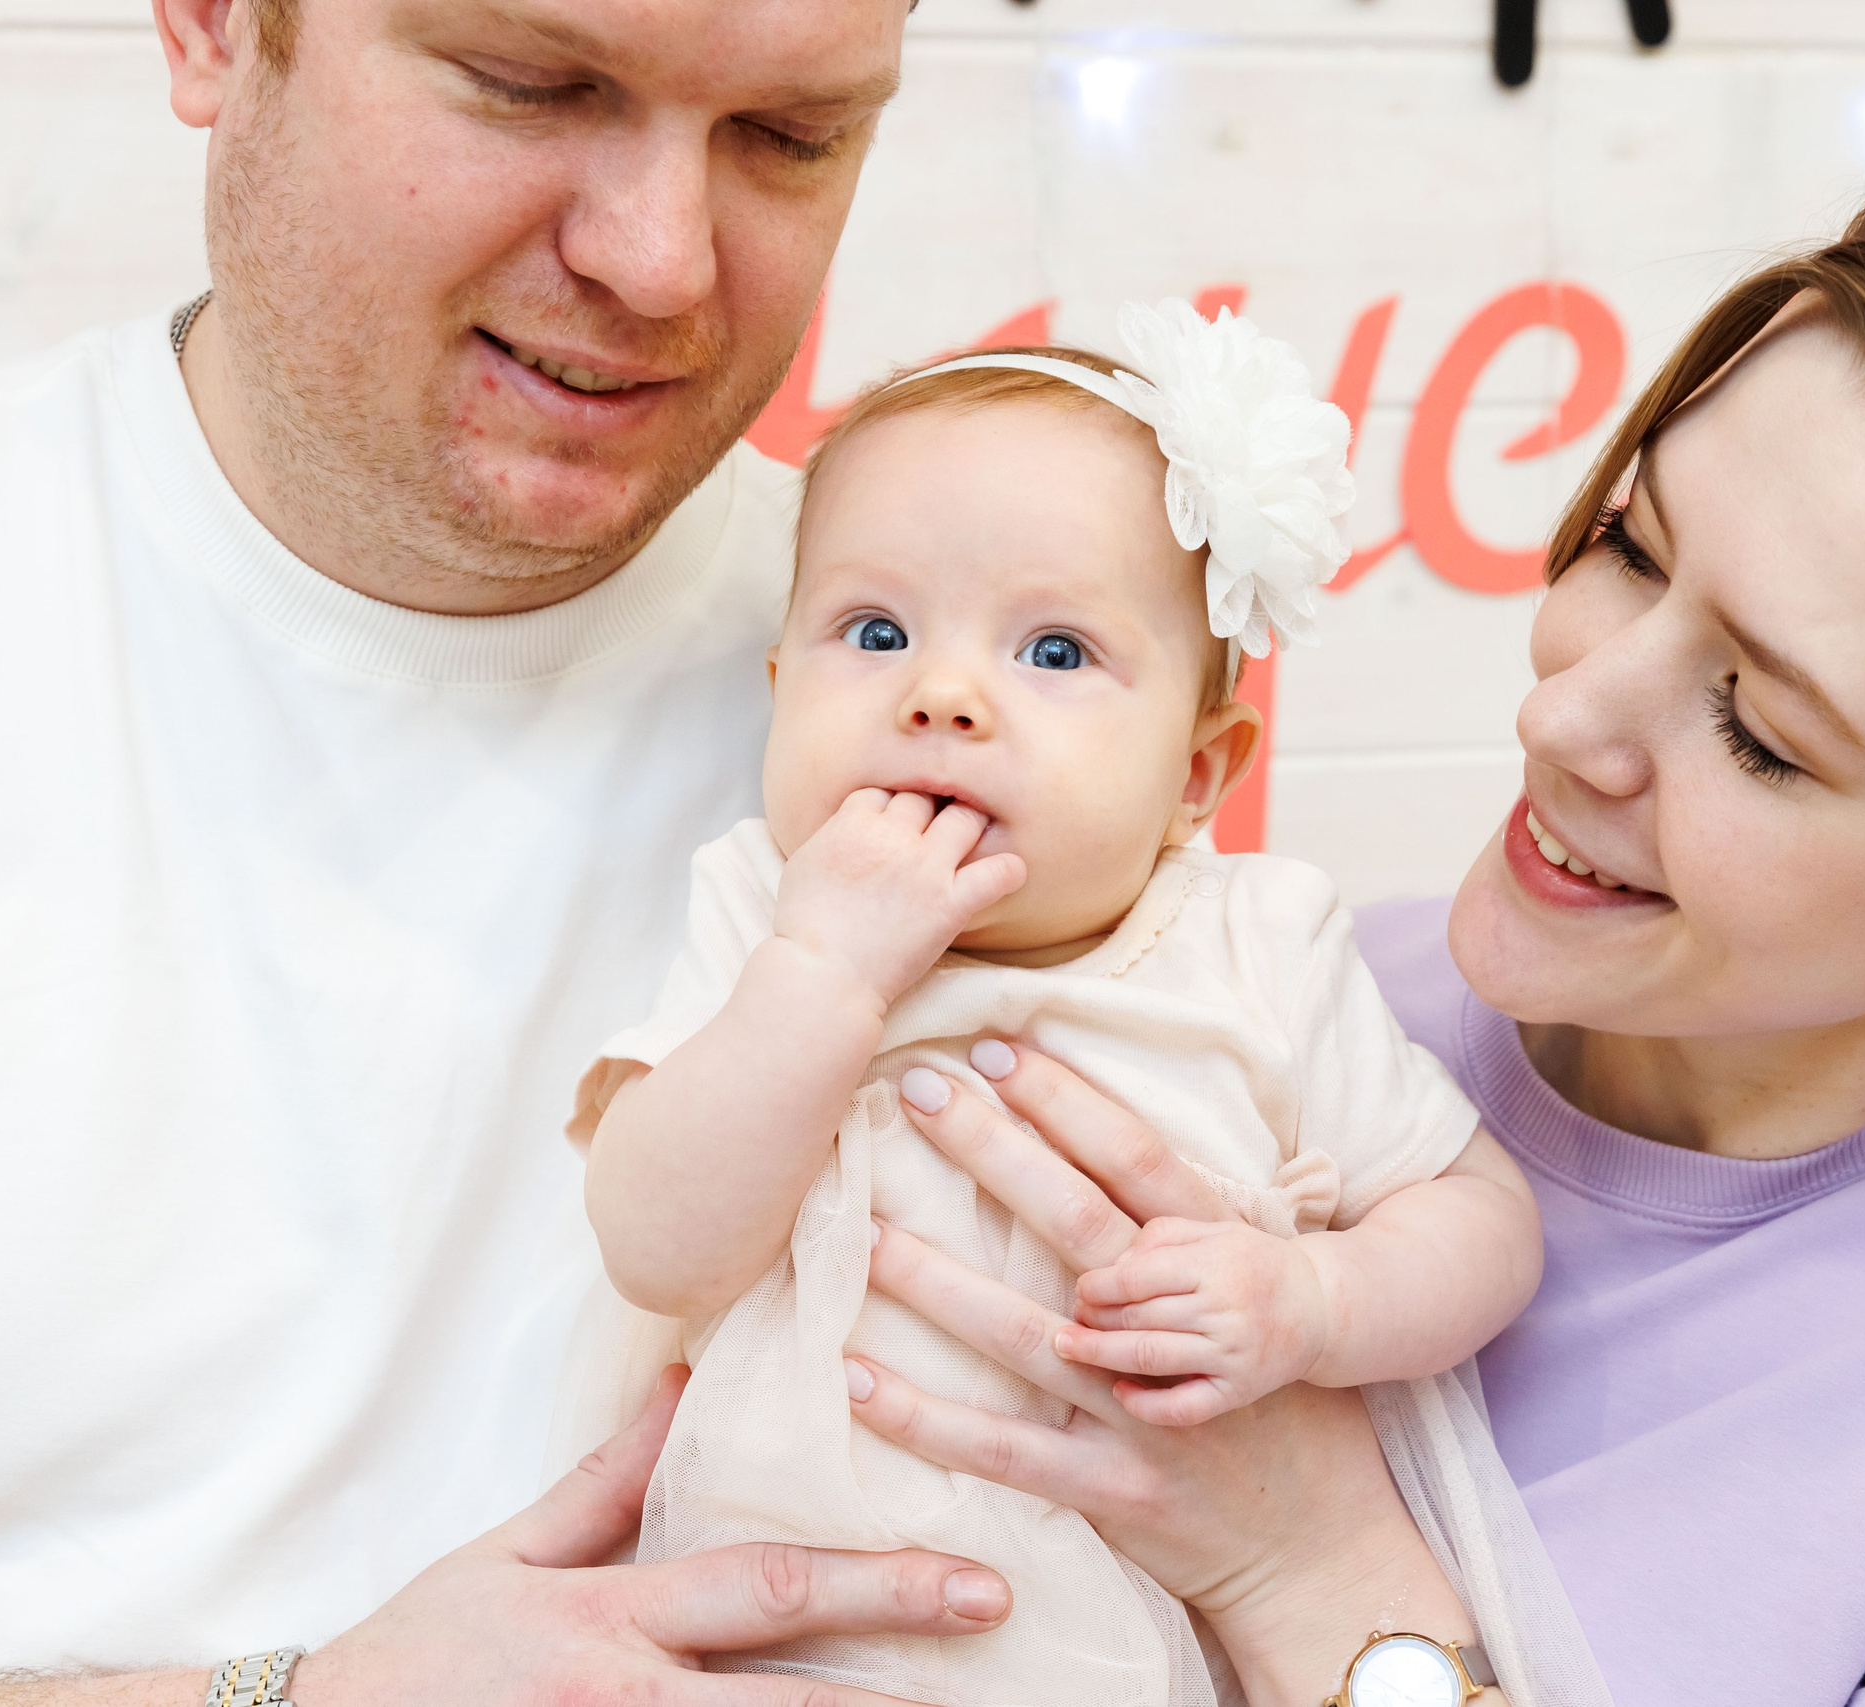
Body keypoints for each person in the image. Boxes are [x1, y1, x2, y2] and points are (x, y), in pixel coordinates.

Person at [798, 158, 1865, 1704]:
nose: (1562, 713)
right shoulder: (1306, 1003)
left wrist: (1316, 1577)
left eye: (1761, 730)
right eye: (1629, 545)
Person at [0, 0, 1046, 1698]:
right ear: (216, 30)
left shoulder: (961, 736)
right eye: (534, 87)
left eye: (792, 137)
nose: (662, 261)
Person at [564, 311, 1555, 1706]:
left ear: (1199, 777)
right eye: (877, 630)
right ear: (781, 691)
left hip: (1123, 1630)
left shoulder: (1252, 943)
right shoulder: (763, 908)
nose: (945, 694)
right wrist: (825, 977)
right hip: (777, 1624)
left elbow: (1481, 1220)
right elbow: (654, 1244)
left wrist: (1316, 1302)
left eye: (1054, 652)